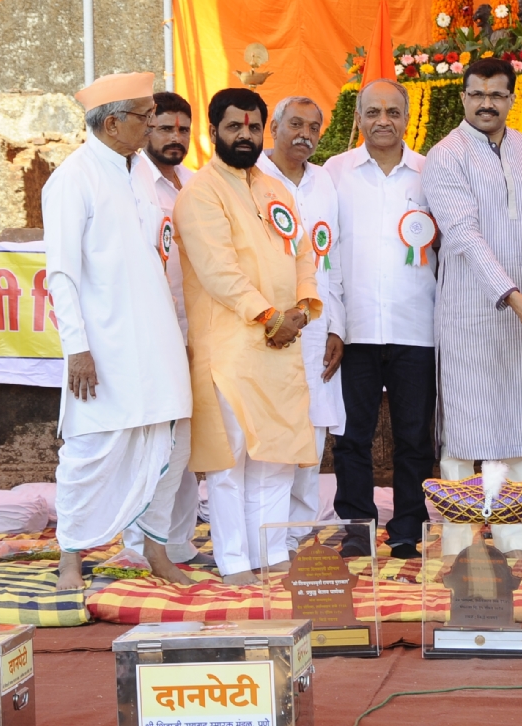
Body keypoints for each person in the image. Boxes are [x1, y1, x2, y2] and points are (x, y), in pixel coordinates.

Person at [42, 73, 194, 590]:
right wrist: (77, 349)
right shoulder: (73, 178)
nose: (152, 125)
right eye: (145, 117)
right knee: (92, 448)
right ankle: (70, 557)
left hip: (158, 337)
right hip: (103, 344)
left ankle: (156, 548)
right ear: (113, 123)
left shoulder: (138, 174)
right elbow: (61, 272)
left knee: (171, 440)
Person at [176, 88, 321, 585]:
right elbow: (219, 271)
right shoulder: (199, 192)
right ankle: (236, 561)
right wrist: (267, 315)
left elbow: (303, 251)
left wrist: (302, 306)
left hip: (282, 343)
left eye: (254, 127)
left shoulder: (275, 189)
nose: (245, 135)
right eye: (234, 127)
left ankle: (271, 552)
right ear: (213, 131)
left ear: (266, 131)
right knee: (231, 459)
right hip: (233, 346)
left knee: (277, 454)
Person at [422, 58, 522, 554]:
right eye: (477, 94)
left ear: (511, 98)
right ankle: (459, 544)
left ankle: (512, 540)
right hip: (470, 309)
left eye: (497, 95)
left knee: (518, 424)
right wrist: (510, 294)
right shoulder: (445, 155)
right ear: (462, 97)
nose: (486, 103)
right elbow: (462, 234)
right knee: (464, 430)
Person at [324, 80, 438, 559]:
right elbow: (322, 253)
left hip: (419, 327)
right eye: (373, 112)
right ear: (359, 116)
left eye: (393, 111)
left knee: (416, 436)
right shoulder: (334, 173)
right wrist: (333, 322)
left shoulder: (430, 173)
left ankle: (410, 525)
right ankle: (357, 525)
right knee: (352, 436)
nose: (383, 120)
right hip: (354, 330)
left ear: (408, 115)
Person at [256, 97, 347, 535]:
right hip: (266, 327)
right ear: (273, 127)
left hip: (316, 330)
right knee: (270, 435)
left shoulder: (325, 181)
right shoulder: (249, 176)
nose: (304, 134)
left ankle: (298, 537)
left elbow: (335, 258)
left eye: (314, 127)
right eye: (295, 123)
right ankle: (264, 535)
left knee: (311, 437)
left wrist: (337, 327)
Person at [128, 91, 209, 570]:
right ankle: (139, 547)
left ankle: (177, 542)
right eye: (165, 128)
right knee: (154, 442)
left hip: (195, 332)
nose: (175, 137)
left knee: (186, 445)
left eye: (183, 129)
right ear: (146, 129)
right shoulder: (132, 183)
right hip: (150, 333)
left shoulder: (197, 185)